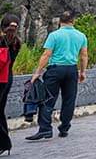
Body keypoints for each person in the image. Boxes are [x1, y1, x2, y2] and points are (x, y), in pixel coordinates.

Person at [26, 11, 88, 142]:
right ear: (73, 21)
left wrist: (37, 72)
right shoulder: (81, 36)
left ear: (60, 21)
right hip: (71, 70)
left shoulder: (54, 35)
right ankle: (64, 127)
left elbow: (46, 55)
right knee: (69, 99)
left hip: (55, 69)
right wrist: (82, 72)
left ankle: (45, 129)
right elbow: (83, 56)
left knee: (47, 98)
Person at [0, 14, 22, 155]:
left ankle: (4, 143)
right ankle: (5, 144)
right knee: (0, 111)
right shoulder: (16, 42)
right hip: (7, 78)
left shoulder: (2, 40)